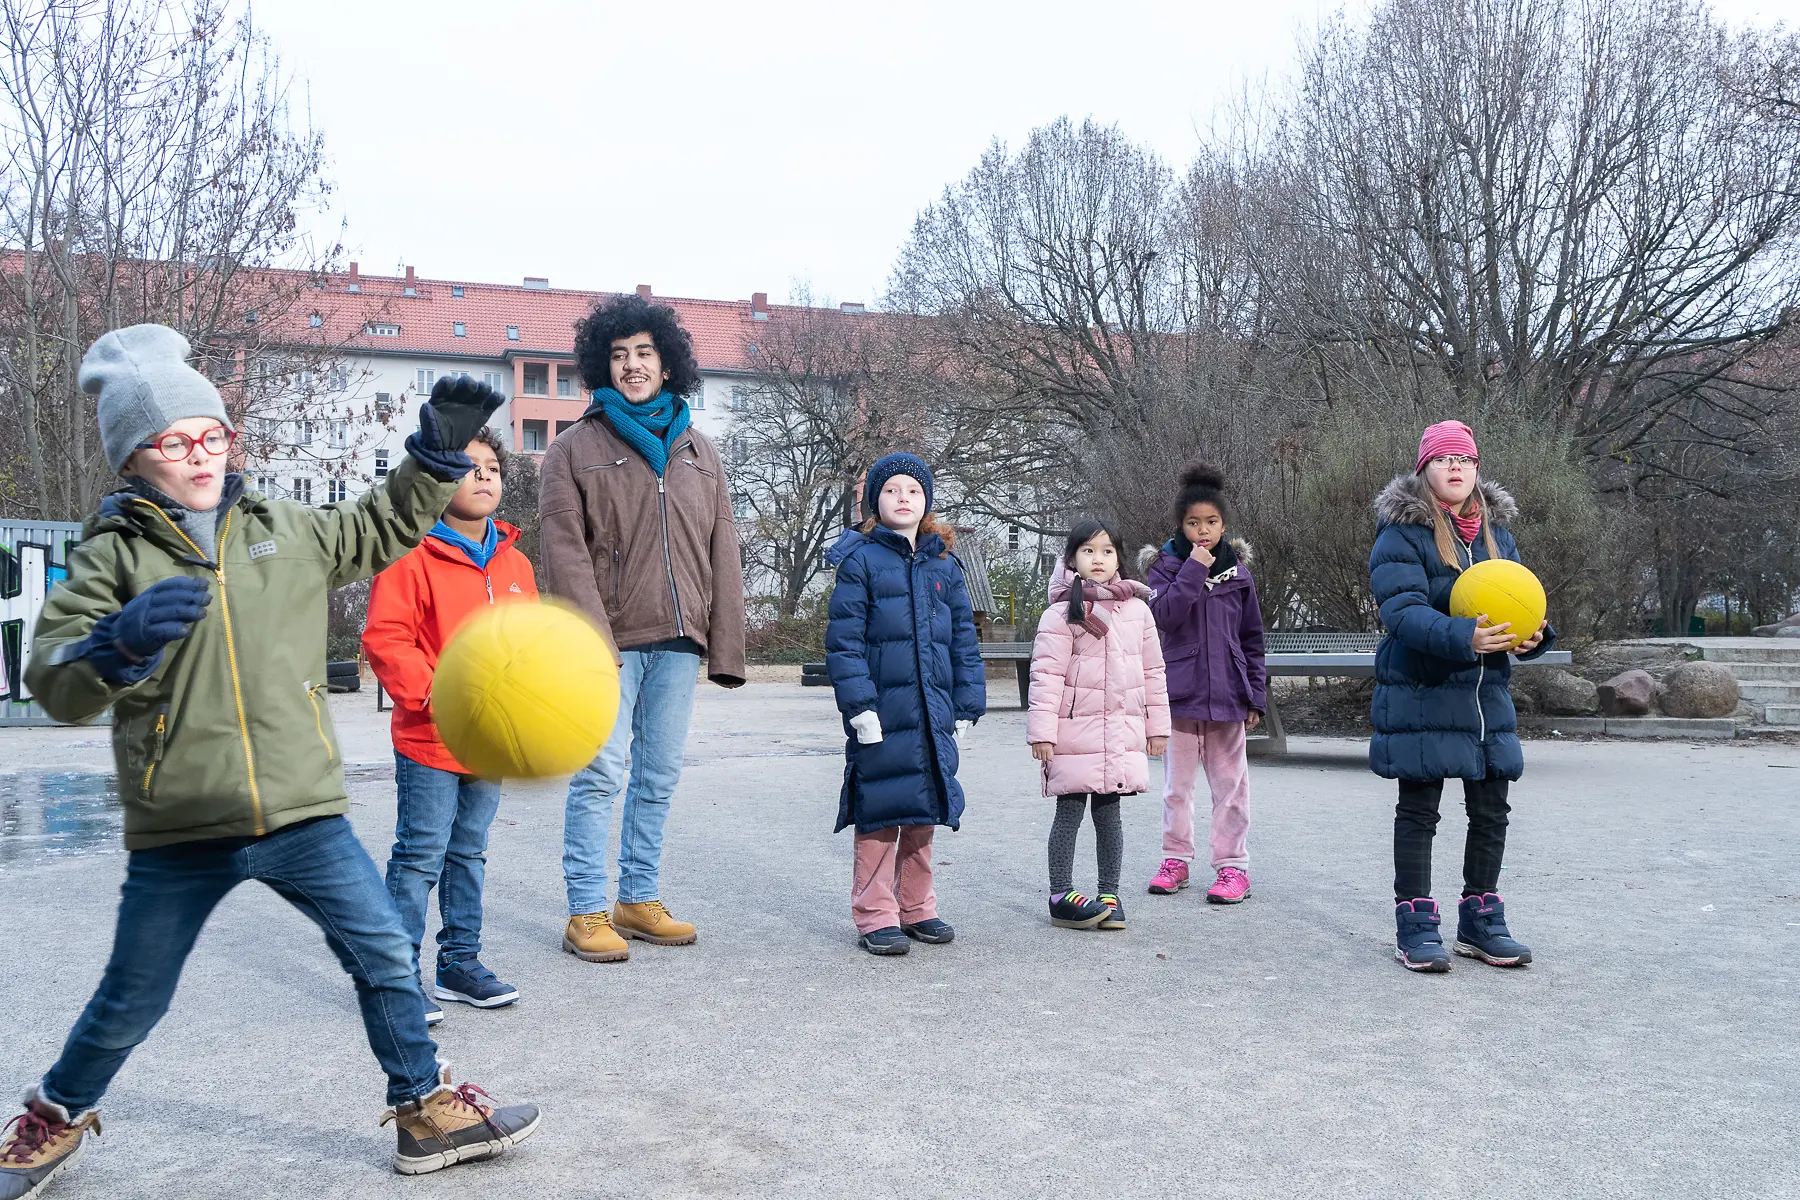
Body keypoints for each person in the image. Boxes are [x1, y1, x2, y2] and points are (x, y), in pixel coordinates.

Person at [1, 326, 539, 1197]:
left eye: (211, 434)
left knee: (384, 956)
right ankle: (53, 1119)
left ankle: (423, 1110)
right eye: (174, 442)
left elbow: (379, 524)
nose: (199, 454)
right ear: (135, 458)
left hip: (302, 810)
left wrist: (435, 461)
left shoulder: (284, 528)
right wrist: (112, 648)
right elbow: (52, 682)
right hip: (183, 822)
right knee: (132, 996)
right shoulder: (112, 555)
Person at [539, 294, 746, 963]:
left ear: (667, 362)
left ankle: (638, 898)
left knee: (657, 776)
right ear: (603, 363)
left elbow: (723, 549)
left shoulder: (699, 451)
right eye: (620, 355)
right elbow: (565, 551)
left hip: (679, 639)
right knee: (600, 774)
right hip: (609, 642)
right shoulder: (572, 449)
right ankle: (585, 913)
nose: (632, 366)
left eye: (644, 354)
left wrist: (724, 641)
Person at [362, 427, 538, 1023]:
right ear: (440, 482)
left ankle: (460, 963)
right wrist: (439, 694)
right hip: (431, 737)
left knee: (469, 853)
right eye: (469, 467)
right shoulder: (410, 555)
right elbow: (387, 638)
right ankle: (396, 978)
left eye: (492, 467)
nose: (484, 476)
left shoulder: (517, 565)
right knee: (419, 856)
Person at [1371, 420, 1553, 972]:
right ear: (1424, 468)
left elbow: (1516, 600)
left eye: (1465, 459)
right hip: (1423, 691)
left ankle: (1480, 919)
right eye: (1443, 458)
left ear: (1477, 469)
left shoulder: (1497, 535)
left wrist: (1535, 636)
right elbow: (1401, 611)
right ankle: (1417, 923)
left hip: (1485, 696)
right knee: (1420, 810)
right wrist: (1462, 636)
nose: (1455, 467)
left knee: (1492, 810)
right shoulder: (1400, 533)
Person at [824, 453, 985, 956]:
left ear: (926, 501)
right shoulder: (861, 561)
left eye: (913, 491)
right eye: (892, 490)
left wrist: (965, 703)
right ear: (875, 500)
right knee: (879, 807)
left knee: (922, 806)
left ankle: (917, 906)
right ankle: (875, 912)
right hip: (882, 709)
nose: (903, 498)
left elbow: (963, 640)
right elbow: (844, 641)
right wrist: (859, 706)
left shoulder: (944, 566)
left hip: (932, 708)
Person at [1027, 520, 1170, 931]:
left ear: (1119, 559)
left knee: (1110, 816)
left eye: (1107, 551)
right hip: (1074, 734)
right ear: (1071, 558)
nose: (1098, 559)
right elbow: (1047, 674)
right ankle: (1061, 893)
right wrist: (1042, 732)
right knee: (1068, 814)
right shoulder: (1061, 612)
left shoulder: (1138, 610)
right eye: (1089, 551)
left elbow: (1153, 671)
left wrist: (1157, 727)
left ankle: (1110, 892)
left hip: (1120, 734)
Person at [1142, 465, 1267, 904]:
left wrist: (1256, 696)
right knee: (1177, 788)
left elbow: (1252, 639)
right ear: (1180, 525)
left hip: (1228, 698)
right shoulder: (1163, 569)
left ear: (1224, 525)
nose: (1203, 531)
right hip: (1179, 698)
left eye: (1211, 522)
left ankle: (1233, 867)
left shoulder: (1241, 576)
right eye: (1193, 523)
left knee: (1230, 787)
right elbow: (1166, 618)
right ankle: (1175, 859)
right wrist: (1194, 568)